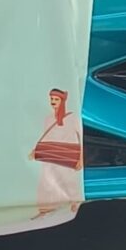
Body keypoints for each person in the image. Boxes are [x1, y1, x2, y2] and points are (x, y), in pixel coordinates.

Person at [32, 86, 86, 220]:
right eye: (52, 99)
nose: (53, 102)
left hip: (66, 154)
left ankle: (73, 206)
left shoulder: (72, 118)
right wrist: (36, 150)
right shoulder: (48, 118)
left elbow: (80, 137)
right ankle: (45, 209)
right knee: (45, 181)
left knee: (68, 180)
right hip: (50, 153)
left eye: (56, 99)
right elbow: (45, 136)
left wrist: (80, 159)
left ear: (62, 101)